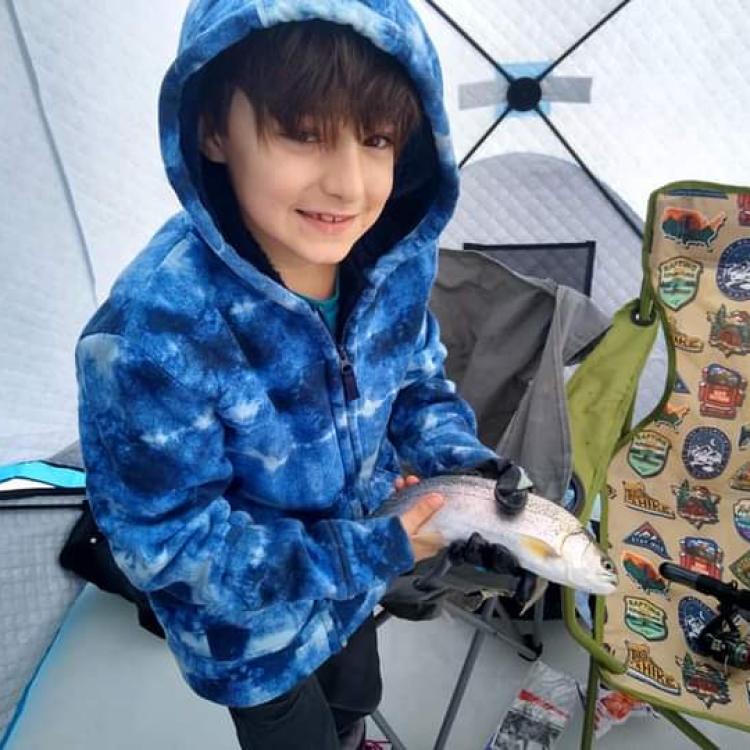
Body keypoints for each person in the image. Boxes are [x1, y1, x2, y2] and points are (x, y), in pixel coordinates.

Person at [74, 2, 532, 748]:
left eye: (377, 139)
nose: (348, 186)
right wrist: (369, 550)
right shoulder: (152, 336)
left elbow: (416, 382)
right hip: (252, 642)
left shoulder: (387, 265)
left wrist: (467, 468)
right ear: (213, 129)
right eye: (303, 133)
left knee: (355, 700)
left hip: (352, 592)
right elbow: (168, 547)